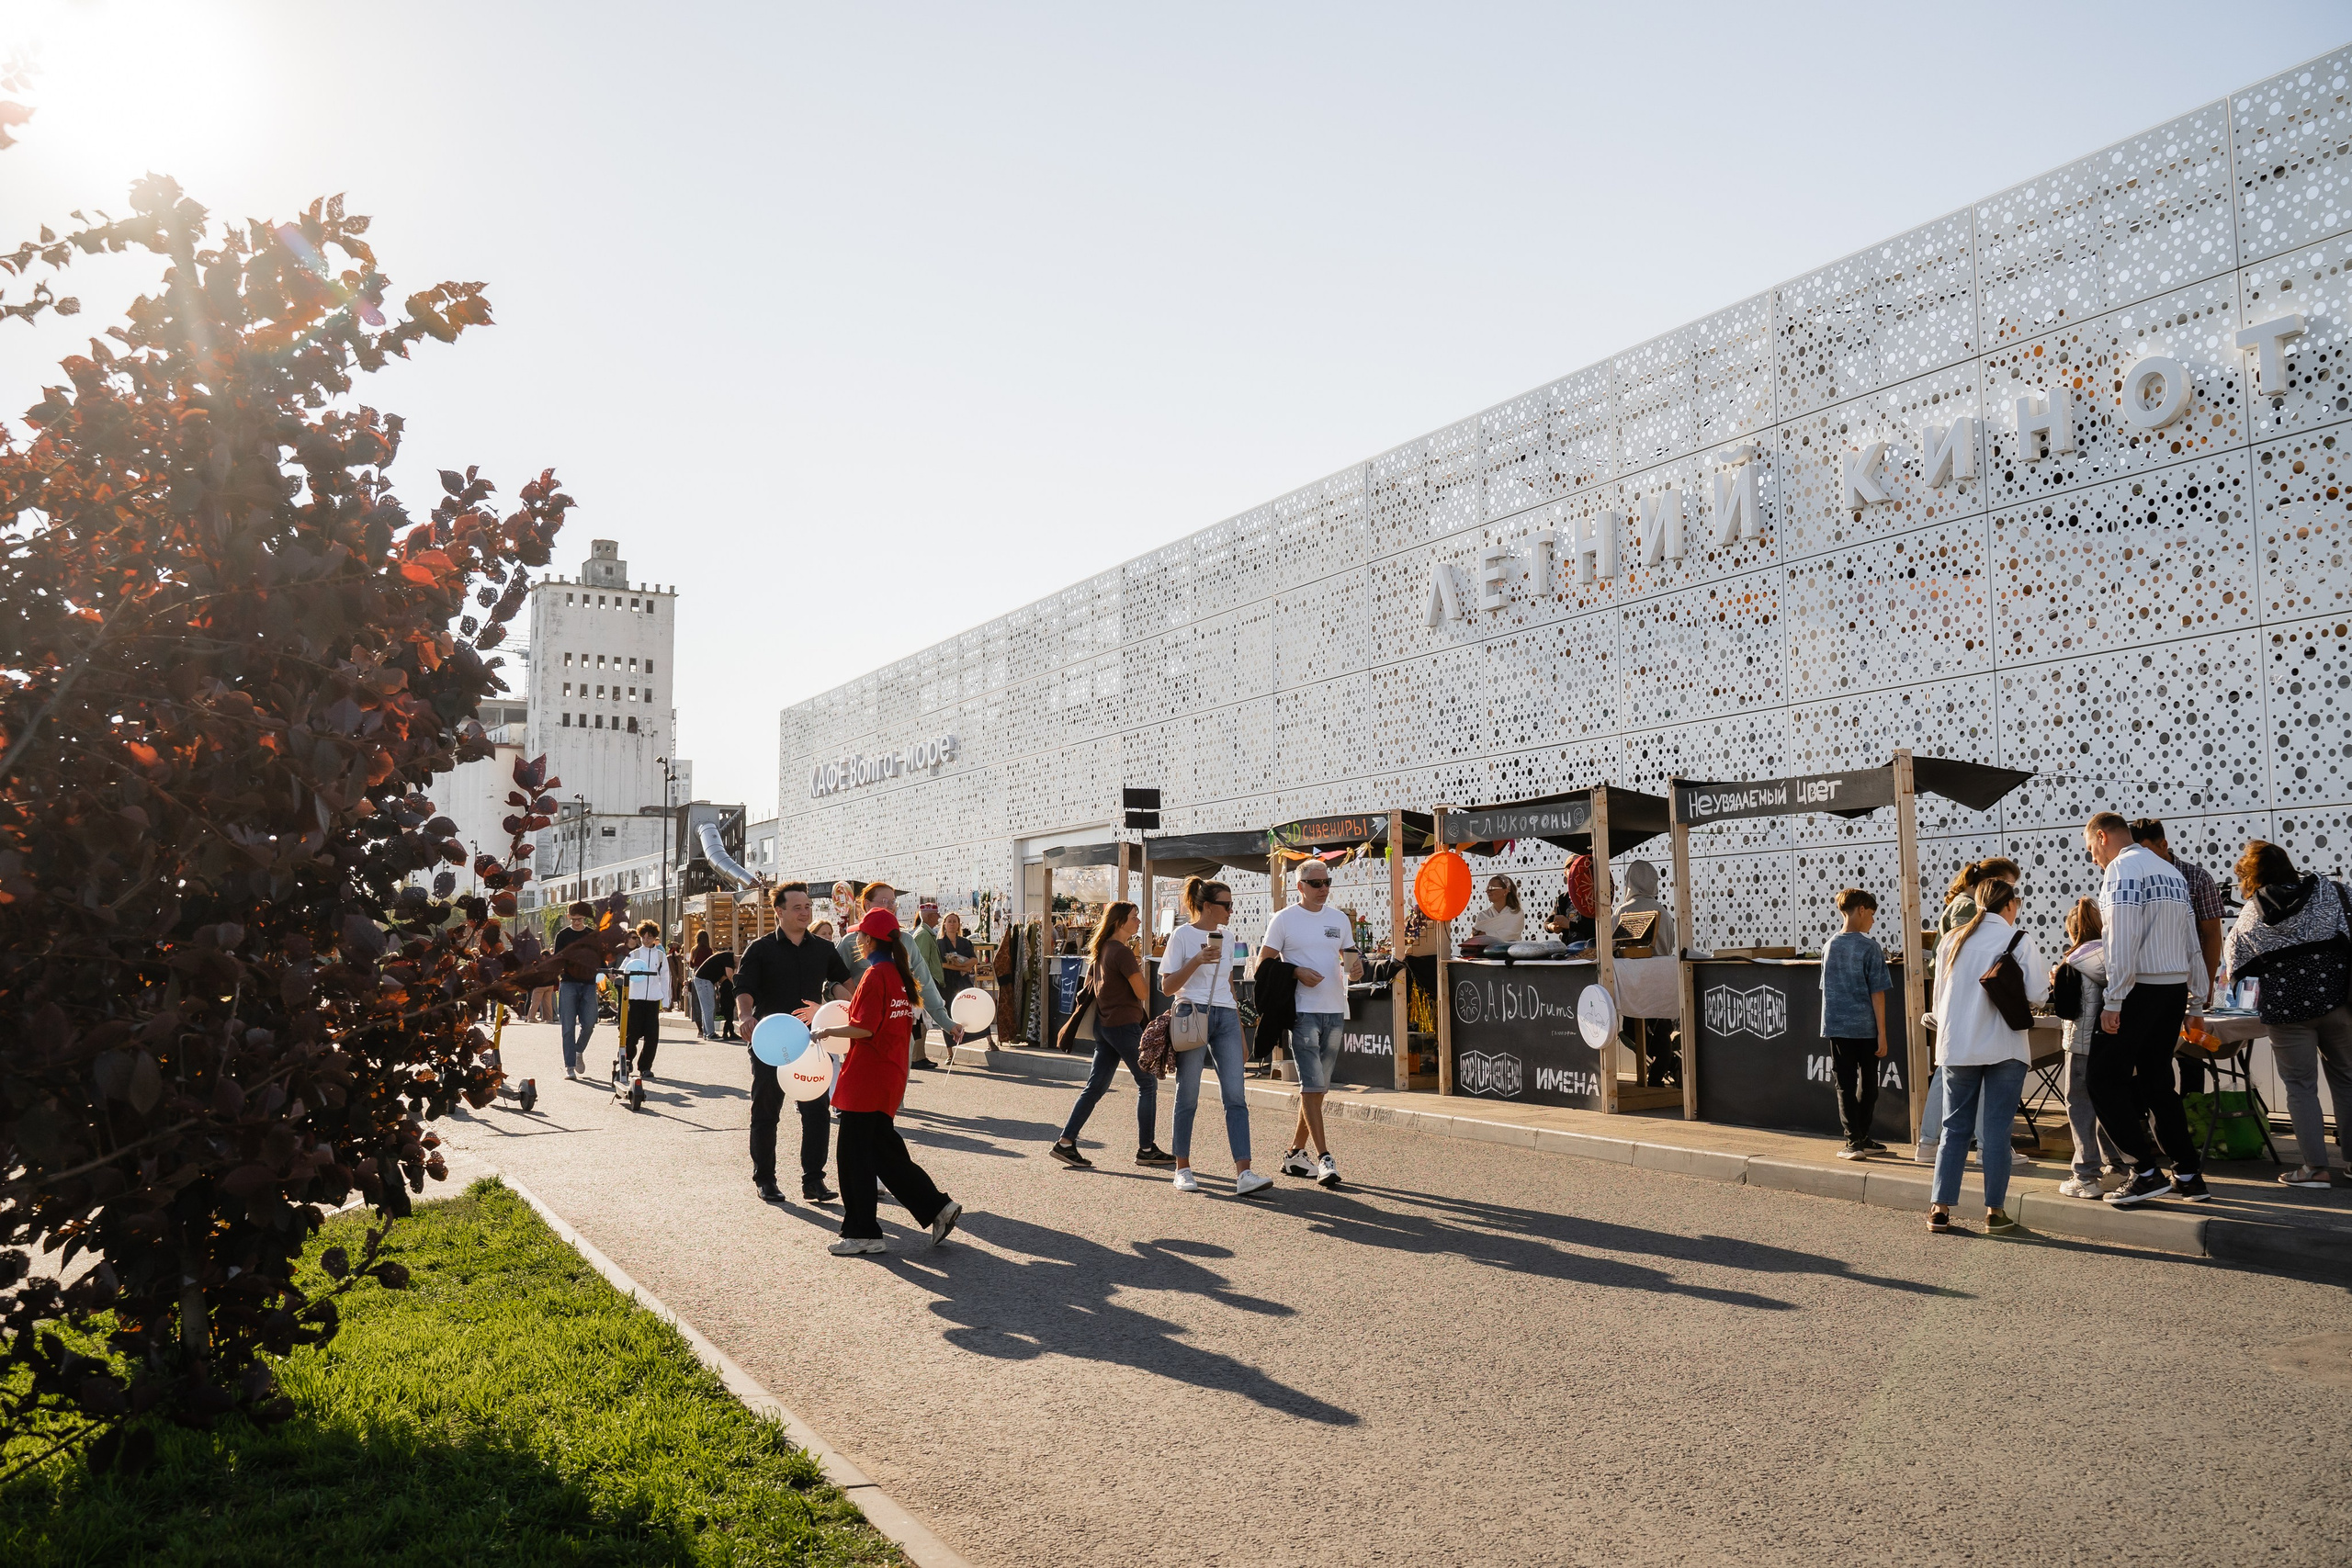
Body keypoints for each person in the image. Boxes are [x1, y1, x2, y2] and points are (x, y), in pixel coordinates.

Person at [813, 907, 964, 1256]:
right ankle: (938, 1207)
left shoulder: (874, 975)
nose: (857, 940)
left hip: (866, 1078)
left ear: (868, 940)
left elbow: (864, 1028)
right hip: (888, 1075)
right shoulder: (899, 974)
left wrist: (826, 1031)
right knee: (884, 1153)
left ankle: (863, 1233)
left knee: (853, 1158)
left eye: (860, 935)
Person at [2085, 811, 2210, 1207]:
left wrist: (2115, 998)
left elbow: (2120, 936)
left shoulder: (2122, 870)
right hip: (2173, 989)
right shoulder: (2171, 872)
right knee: (2157, 1081)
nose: (2093, 858)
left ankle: (2143, 1172)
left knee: (2102, 1079)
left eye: (2091, 849)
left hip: (2139, 989)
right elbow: (2191, 939)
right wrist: (2196, 998)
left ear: (2102, 837)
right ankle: (2188, 1174)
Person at [2222, 841, 2352, 1190]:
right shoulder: (2331, 892)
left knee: (2300, 1087)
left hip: (2286, 1012)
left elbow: (2235, 968)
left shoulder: (2250, 915)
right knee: (2347, 1079)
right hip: (2337, 1002)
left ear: (2251, 876)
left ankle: (2315, 1169)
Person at [1924, 878, 2046, 1234]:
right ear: (2008, 905)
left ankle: (1940, 1208)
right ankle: (1994, 1211)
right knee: (1996, 1132)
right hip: (2005, 1045)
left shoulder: (1952, 939)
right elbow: (2038, 995)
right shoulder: (2018, 940)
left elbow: (1939, 1001)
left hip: (1957, 1045)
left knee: (1954, 1128)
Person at [734, 883, 854, 1203]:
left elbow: (843, 983)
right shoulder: (760, 949)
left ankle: (814, 1181)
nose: (805, 912)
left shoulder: (823, 949)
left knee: (817, 1112)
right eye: (797, 907)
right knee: (766, 1111)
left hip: (810, 1041)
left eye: (808, 907)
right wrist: (745, 1016)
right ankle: (765, 1179)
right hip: (770, 1041)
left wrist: (848, 1008)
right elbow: (743, 987)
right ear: (779, 911)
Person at [1159, 877, 1271, 1195]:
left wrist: (1241, 1033)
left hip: (1225, 1017)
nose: (1231, 910)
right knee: (1188, 1093)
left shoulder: (1228, 936)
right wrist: (1197, 960)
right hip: (1192, 1014)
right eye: (1227, 905)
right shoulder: (1182, 935)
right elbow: (1166, 986)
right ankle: (1182, 1168)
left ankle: (1244, 1173)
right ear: (1208, 906)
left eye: (1232, 905)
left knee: (1236, 1096)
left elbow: (1229, 985)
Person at [1046, 901, 1173, 1168]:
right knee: (1147, 1083)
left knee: (1095, 1087)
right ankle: (1147, 1149)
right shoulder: (1122, 952)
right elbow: (1142, 992)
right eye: (1134, 917)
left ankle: (1066, 1142)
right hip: (1124, 1026)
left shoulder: (1103, 949)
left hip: (1105, 1026)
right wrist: (1138, 970)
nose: (1138, 921)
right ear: (1119, 922)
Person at [1916, 856, 2021, 1163]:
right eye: (2008, 886)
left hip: (1957, 1004)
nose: (2011, 895)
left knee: (1949, 1072)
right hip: (1972, 1002)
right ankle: (1987, 1147)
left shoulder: (1962, 904)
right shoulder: (1968, 908)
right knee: (1980, 1068)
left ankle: (1930, 1143)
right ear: (1990, 883)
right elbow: (1971, 957)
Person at [1262, 862, 1361, 1187]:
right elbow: (1264, 962)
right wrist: (1295, 972)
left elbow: (1349, 955)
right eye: (1316, 883)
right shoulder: (1284, 919)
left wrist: (1356, 967)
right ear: (1300, 886)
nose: (1323, 888)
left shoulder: (1339, 919)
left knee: (1318, 1089)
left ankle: (1294, 1153)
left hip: (1335, 1009)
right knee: (1313, 1085)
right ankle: (1324, 1158)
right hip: (1302, 1012)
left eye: (1327, 882)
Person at [2131, 819, 2227, 1093]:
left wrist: (2206, 986)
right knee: (2151, 1058)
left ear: (2164, 845)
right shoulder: (2132, 875)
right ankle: (2151, 1112)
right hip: (2148, 982)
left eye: (2147, 850)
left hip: (2187, 979)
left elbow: (2211, 935)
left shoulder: (2196, 877)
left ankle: (2190, 1107)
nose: (2142, 857)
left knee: (2191, 1055)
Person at [2052, 898, 2128, 1198]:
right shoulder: (2115, 958)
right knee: (2109, 1105)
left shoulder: (2072, 963)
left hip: (2081, 1047)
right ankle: (2119, 1165)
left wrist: (2056, 983)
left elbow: (2066, 1009)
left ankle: (2085, 1176)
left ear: (2072, 932)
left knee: (2080, 1109)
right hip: (2113, 1045)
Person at [836, 881, 959, 1063]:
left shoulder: (907, 940)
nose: (890, 906)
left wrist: (947, 1022)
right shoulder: (850, 942)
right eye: (884, 901)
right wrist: (839, 991)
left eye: (893, 901)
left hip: (899, 1035)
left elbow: (924, 984)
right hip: (863, 1034)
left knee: (896, 1080)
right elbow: (832, 981)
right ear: (867, 905)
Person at [1820, 888, 1892, 1161]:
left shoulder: (1829, 946)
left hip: (1838, 1027)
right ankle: (1857, 1139)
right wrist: (1882, 1033)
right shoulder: (1870, 948)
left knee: (1846, 1086)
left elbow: (1826, 990)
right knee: (1868, 1086)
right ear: (1861, 909)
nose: (1873, 920)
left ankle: (1856, 1139)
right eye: (1871, 914)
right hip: (1866, 1027)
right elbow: (1878, 993)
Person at [617, 919, 672, 1079]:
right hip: (635, 999)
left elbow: (665, 978)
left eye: (649, 937)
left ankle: (645, 1066)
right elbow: (622, 970)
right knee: (632, 1034)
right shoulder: (634, 954)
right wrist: (621, 974)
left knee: (652, 1035)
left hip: (652, 1000)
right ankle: (626, 1061)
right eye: (643, 937)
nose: (646, 940)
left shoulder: (660, 956)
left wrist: (666, 1000)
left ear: (655, 938)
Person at [553, 900, 601, 1078]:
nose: (577, 923)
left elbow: (600, 957)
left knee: (589, 1023)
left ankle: (578, 1050)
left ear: (585, 918)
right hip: (568, 983)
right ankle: (570, 1066)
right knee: (568, 1027)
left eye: (580, 919)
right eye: (573, 919)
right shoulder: (563, 935)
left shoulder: (592, 935)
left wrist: (607, 971)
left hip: (588, 983)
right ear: (569, 917)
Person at [910, 898, 949, 1064]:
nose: (939, 917)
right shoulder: (924, 935)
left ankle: (919, 1056)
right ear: (929, 917)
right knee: (920, 1022)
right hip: (925, 983)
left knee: (922, 1022)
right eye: (936, 914)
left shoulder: (925, 933)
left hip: (926, 982)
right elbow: (921, 963)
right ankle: (917, 1057)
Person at [1464, 874, 1523, 953]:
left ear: (1505, 891)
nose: (1488, 891)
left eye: (1491, 888)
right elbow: (1475, 938)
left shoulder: (1517, 913)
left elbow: (1508, 936)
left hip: (1510, 955)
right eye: (1487, 888)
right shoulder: (1482, 915)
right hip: (1485, 956)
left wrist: (1484, 935)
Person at [694, 939, 736, 1043]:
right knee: (709, 1007)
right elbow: (730, 976)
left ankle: (706, 1032)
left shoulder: (725, 957)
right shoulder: (729, 958)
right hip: (704, 980)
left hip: (701, 979)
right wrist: (738, 985)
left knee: (706, 1008)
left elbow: (723, 977)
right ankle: (710, 1034)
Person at [938, 911, 978, 998]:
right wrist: (964, 968)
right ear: (944, 924)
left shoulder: (965, 942)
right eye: (949, 921)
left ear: (958, 925)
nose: (952, 924)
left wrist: (960, 965)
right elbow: (942, 964)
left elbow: (974, 960)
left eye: (954, 921)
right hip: (947, 983)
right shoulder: (939, 943)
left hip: (964, 982)